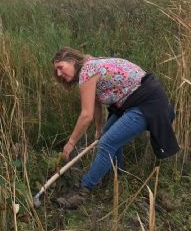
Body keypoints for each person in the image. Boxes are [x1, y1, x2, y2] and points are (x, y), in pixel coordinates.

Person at [52, 46, 179, 209]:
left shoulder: (87, 71)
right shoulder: (90, 66)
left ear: (72, 61)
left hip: (146, 102)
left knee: (107, 143)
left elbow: (86, 115)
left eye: (60, 67)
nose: (58, 74)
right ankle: (118, 179)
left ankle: (81, 193)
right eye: (56, 71)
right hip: (134, 100)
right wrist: (99, 129)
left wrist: (71, 143)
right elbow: (95, 104)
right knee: (107, 137)